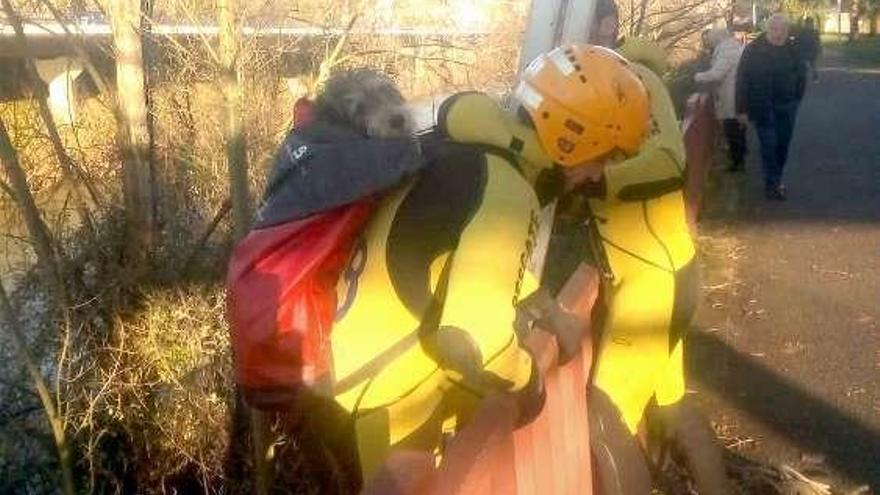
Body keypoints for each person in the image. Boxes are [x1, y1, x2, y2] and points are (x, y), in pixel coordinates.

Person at [311, 44, 652, 489]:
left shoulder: (468, 152)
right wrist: (529, 383)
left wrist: (548, 310)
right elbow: (471, 340)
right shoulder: (507, 190)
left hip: (341, 376)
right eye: (603, 156)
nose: (596, 175)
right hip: (376, 396)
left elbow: (465, 263)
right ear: (573, 136)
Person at [561, 2, 730, 493]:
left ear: (608, 27)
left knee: (603, 418)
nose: (568, 47)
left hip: (654, 283)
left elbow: (669, 158)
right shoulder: (588, 89)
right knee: (670, 405)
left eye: (579, 29)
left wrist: (597, 180)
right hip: (662, 275)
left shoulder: (629, 77)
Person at [736, 13, 806, 200]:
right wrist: (741, 109)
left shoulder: (793, 50)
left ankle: (776, 178)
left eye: (782, 30)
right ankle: (772, 185)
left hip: (787, 106)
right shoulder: (753, 50)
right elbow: (742, 80)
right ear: (767, 29)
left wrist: (797, 98)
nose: (778, 33)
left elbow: (801, 76)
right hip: (762, 106)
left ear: (787, 31)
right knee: (769, 146)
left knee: (782, 146)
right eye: (774, 29)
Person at [695, 27, 747, 172]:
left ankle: (737, 162)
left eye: (710, 40)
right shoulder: (731, 47)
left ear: (717, 39)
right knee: (736, 127)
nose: (708, 43)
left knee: (732, 127)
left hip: (730, 94)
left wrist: (698, 77)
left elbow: (717, 74)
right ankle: (740, 155)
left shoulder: (726, 51)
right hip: (734, 92)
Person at [795, 17, 822, 82]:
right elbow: (798, 39)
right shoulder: (802, 31)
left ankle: (815, 76)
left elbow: (817, 41)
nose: (809, 25)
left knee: (813, 64)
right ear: (805, 23)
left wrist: (818, 50)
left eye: (810, 24)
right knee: (802, 64)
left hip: (812, 50)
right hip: (803, 50)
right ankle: (802, 76)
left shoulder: (815, 32)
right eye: (807, 23)